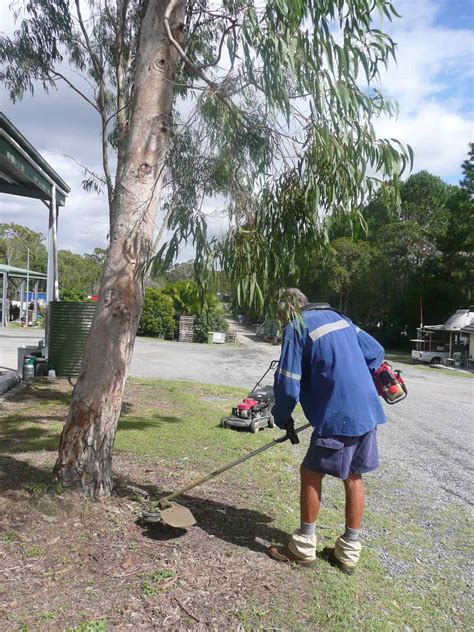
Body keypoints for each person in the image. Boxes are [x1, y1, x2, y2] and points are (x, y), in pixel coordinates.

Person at [267, 288, 386, 574]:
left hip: (338, 416)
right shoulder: (341, 320)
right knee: (354, 477)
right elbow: (376, 352)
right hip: (366, 411)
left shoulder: (297, 326)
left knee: (310, 472)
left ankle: (303, 547)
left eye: (282, 316)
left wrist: (282, 416)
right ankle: (348, 552)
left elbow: (287, 382)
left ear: (288, 311)